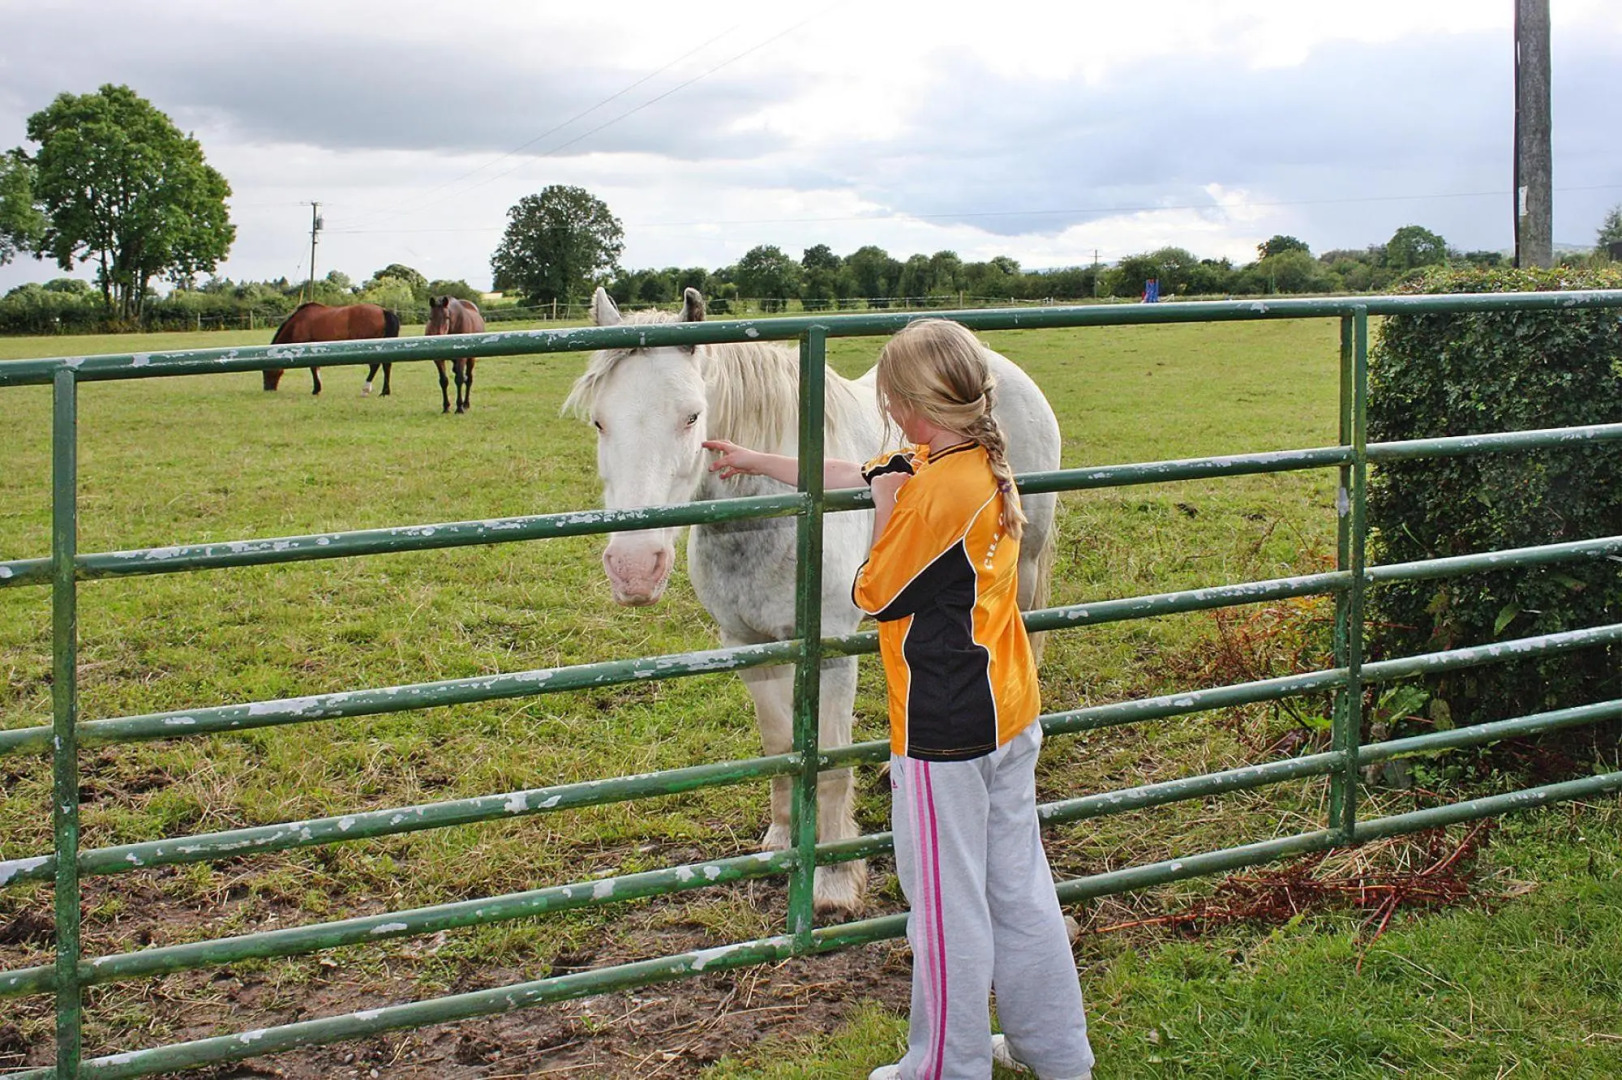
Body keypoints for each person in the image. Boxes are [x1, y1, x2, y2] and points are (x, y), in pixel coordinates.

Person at [704, 319, 1094, 1080]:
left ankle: (943, 1066)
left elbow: (872, 591)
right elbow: (858, 471)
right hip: (1010, 711)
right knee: (1019, 886)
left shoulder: (930, 497)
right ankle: (1057, 1052)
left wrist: (884, 512)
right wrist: (755, 460)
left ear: (907, 405)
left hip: (943, 728)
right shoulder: (975, 459)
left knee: (945, 907)